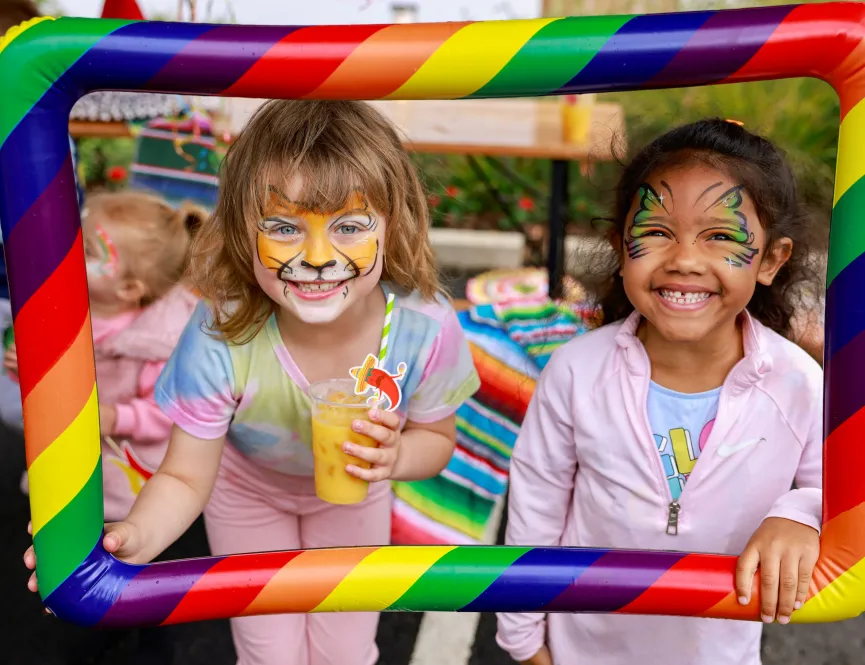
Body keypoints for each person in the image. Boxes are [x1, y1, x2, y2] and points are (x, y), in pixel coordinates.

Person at [26, 100, 480, 665]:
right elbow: (185, 477)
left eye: (350, 227)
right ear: (243, 231)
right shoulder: (222, 331)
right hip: (247, 495)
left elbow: (436, 440)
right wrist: (134, 537)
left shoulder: (422, 327)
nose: (319, 257)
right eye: (284, 228)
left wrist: (397, 455)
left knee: (344, 653)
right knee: (270, 655)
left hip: (353, 498)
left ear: (394, 225)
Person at [496, 119, 824, 665]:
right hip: (579, 650)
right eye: (656, 231)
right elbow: (535, 506)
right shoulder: (577, 372)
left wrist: (799, 515)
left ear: (770, 259)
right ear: (620, 246)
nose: (685, 260)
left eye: (721, 236)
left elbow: (835, 490)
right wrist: (523, 638)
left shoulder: (797, 383)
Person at [11, 191, 203, 663]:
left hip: (134, 481)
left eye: (90, 250)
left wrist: (114, 417)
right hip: (75, 467)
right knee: (76, 567)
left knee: (137, 571)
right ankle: (89, 625)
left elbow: (166, 413)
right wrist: (27, 370)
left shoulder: (155, 344)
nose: (70, 250)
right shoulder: (68, 310)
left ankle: (150, 641)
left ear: (129, 289)